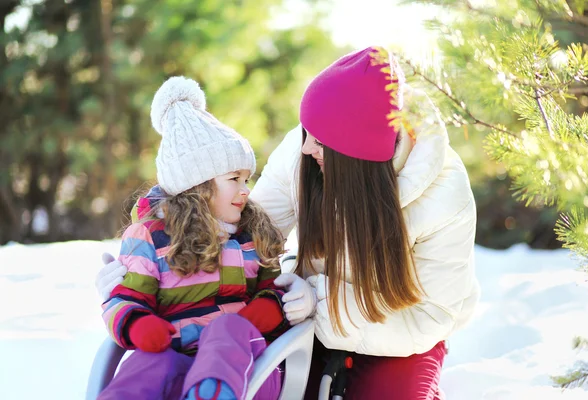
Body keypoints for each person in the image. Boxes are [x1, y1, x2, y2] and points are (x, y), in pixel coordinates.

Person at [97, 46, 479, 399]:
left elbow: (428, 316)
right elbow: (238, 231)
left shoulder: (443, 194)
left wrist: (319, 300)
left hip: (401, 332)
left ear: (355, 153)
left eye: (320, 140)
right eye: (306, 132)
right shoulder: (305, 152)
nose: (307, 147)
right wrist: (149, 251)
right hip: (313, 323)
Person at [97, 76, 316, 400]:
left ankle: (214, 393)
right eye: (234, 178)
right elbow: (124, 299)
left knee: (226, 330)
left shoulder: (250, 236)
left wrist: (266, 311)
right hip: (177, 362)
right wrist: (138, 324)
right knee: (149, 363)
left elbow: (271, 288)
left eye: (247, 178)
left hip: (248, 372)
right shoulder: (149, 237)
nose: (245, 189)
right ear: (197, 184)